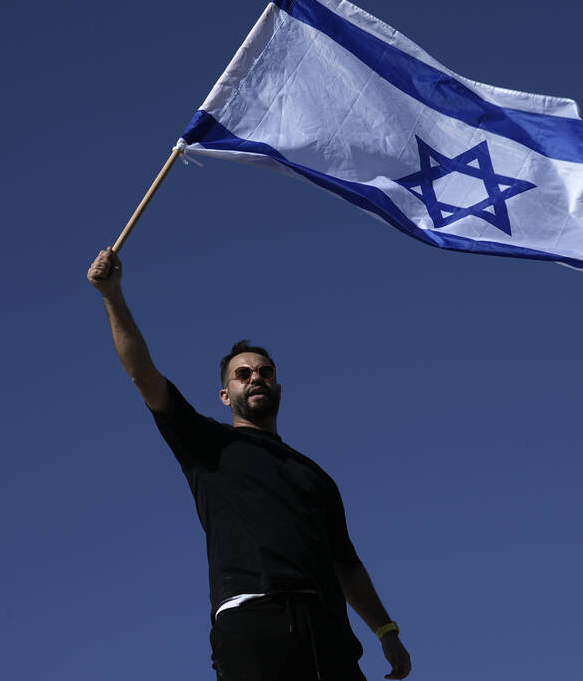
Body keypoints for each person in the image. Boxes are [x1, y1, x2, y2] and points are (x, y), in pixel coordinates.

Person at [87, 247, 412, 680]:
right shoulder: (207, 442)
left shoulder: (317, 478)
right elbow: (143, 374)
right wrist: (112, 295)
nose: (255, 377)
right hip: (253, 622)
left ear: (278, 385)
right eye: (242, 374)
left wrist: (386, 630)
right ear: (226, 396)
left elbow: (346, 563)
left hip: (329, 635)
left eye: (264, 371)